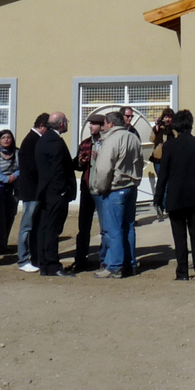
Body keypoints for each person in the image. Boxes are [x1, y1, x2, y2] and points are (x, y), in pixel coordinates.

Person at [153, 109, 195, 279]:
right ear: (191, 124)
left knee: (179, 237)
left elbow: (163, 174)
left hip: (175, 196)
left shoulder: (169, 146)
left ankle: (182, 272)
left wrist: (158, 197)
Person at [90, 108, 144, 278]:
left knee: (113, 229)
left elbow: (104, 168)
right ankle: (130, 263)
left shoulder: (111, 140)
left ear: (110, 123)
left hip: (115, 188)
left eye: (104, 123)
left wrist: (99, 187)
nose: (103, 126)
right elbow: (140, 162)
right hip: (131, 187)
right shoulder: (134, 138)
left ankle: (114, 265)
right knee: (128, 227)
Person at [34, 111, 77, 277]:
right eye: (66, 120)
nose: (67, 123)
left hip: (46, 191)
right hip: (55, 193)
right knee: (52, 230)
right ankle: (52, 265)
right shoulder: (54, 142)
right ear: (60, 124)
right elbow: (57, 170)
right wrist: (62, 191)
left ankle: (44, 264)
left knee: (45, 228)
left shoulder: (44, 140)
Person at [14, 113, 48, 274]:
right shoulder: (31, 141)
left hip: (35, 190)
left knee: (33, 226)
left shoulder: (34, 140)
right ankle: (23, 259)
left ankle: (33, 257)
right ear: (42, 126)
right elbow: (33, 167)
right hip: (31, 191)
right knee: (26, 226)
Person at [73, 112, 106, 273]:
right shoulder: (85, 143)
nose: (91, 126)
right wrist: (81, 161)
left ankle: (104, 259)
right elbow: (77, 165)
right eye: (90, 124)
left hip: (102, 189)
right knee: (83, 227)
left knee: (105, 227)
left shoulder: (108, 143)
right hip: (87, 188)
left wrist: (100, 157)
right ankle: (80, 259)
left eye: (94, 124)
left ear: (102, 126)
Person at [148, 107, 177, 221]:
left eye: (170, 117)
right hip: (159, 159)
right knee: (162, 183)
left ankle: (166, 206)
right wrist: (156, 128)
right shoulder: (158, 128)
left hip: (171, 159)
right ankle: (161, 206)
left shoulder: (174, 129)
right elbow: (152, 139)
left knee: (169, 184)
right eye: (166, 117)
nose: (167, 119)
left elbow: (176, 138)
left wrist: (170, 128)